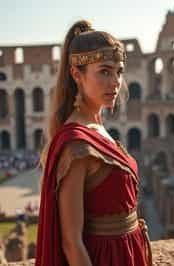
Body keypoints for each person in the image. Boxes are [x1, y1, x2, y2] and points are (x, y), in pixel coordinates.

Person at [35, 20, 152, 266]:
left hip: (129, 253)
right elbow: (71, 242)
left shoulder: (99, 129)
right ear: (77, 75)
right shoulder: (75, 145)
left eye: (119, 71)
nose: (115, 82)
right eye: (104, 71)